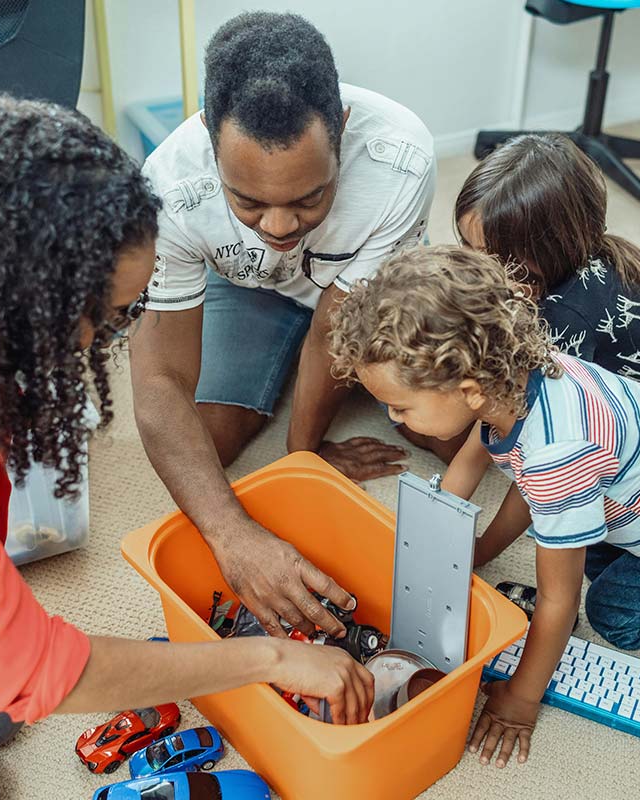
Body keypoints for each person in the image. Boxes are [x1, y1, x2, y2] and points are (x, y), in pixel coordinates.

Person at [0, 94, 374, 800]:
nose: (99, 344)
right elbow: (39, 672)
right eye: (108, 317)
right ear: (13, 292)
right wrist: (269, 659)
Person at [130, 11, 435, 639]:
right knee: (202, 452)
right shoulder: (167, 190)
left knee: (452, 431)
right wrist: (232, 537)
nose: (278, 227)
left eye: (308, 199)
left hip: (365, 299)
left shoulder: (399, 157)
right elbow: (159, 380)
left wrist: (304, 458)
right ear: (210, 144)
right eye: (248, 202)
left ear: (342, 132)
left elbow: (335, 325)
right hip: (247, 290)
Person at [329, 244, 640, 768]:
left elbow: (557, 601)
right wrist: (455, 545)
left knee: (611, 609)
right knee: (575, 545)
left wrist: (520, 701)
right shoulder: (519, 378)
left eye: (401, 406)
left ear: (469, 390)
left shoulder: (556, 457)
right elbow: (482, 460)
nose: (393, 418)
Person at [442, 132, 640, 563]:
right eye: (467, 248)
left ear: (549, 249)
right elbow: (477, 446)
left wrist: (482, 552)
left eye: (495, 258)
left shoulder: (564, 318)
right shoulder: (569, 267)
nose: (475, 269)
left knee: (580, 532)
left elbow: (538, 460)